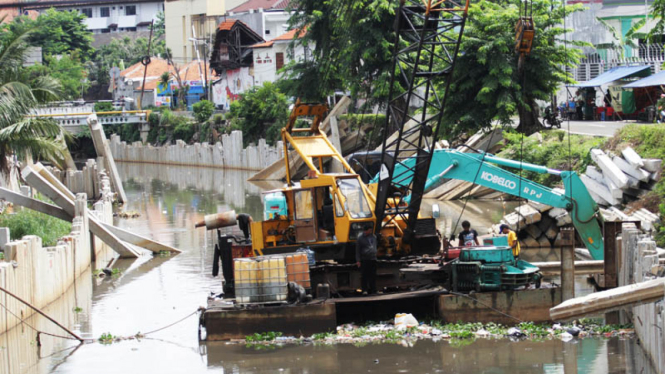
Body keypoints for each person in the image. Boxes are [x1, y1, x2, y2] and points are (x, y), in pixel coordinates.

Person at [355, 224, 377, 295]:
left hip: (373, 258)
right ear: (365, 231)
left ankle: (373, 290)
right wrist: (358, 260)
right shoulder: (360, 238)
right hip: (365, 259)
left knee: (373, 275)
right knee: (364, 275)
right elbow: (357, 250)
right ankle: (364, 289)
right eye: (369, 230)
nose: (370, 231)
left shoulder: (373, 237)